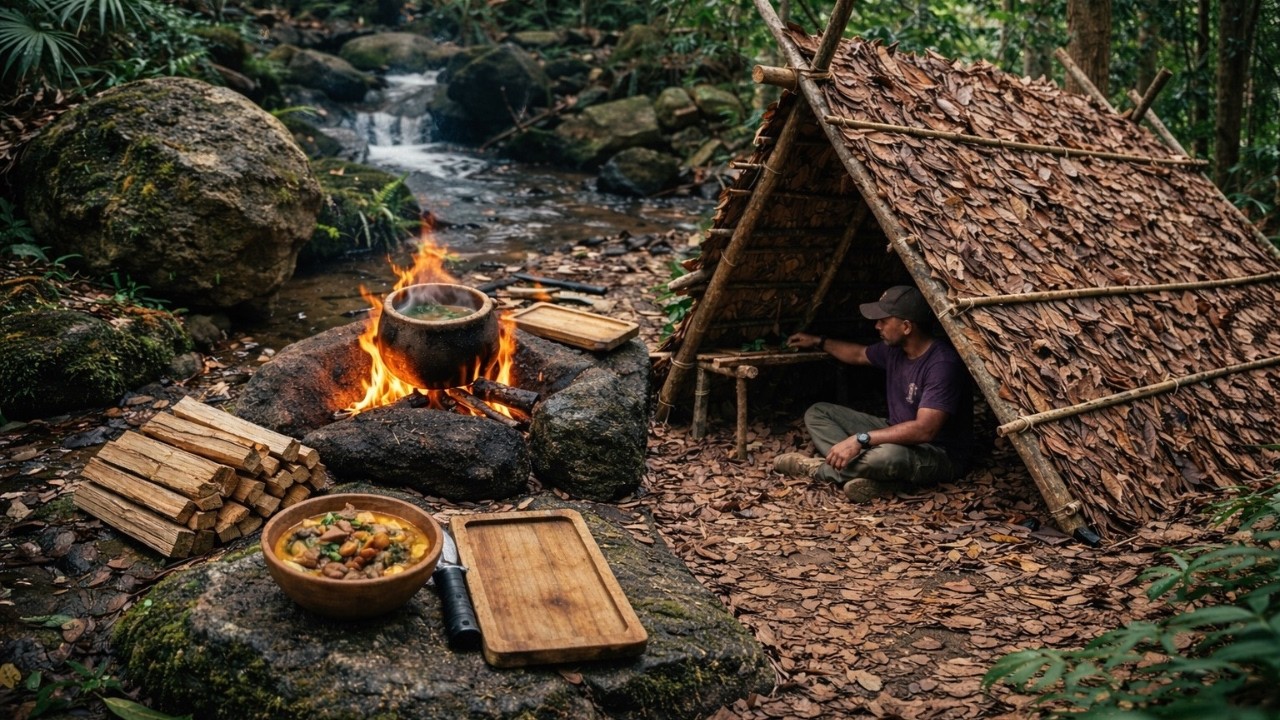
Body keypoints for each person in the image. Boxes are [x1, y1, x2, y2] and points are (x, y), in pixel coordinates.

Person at [774, 285, 973, 502]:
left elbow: (924, 430)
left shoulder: (942, 364)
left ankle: (818, 469)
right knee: (818, 413)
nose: (877, 326)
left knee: (887, 456)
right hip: (894, 431)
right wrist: (818, 341)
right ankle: (877, 477)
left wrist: (861, 439)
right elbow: (858, 354)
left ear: (906, 327)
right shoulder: (895, 350)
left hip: (937, 453)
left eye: (884, 321)